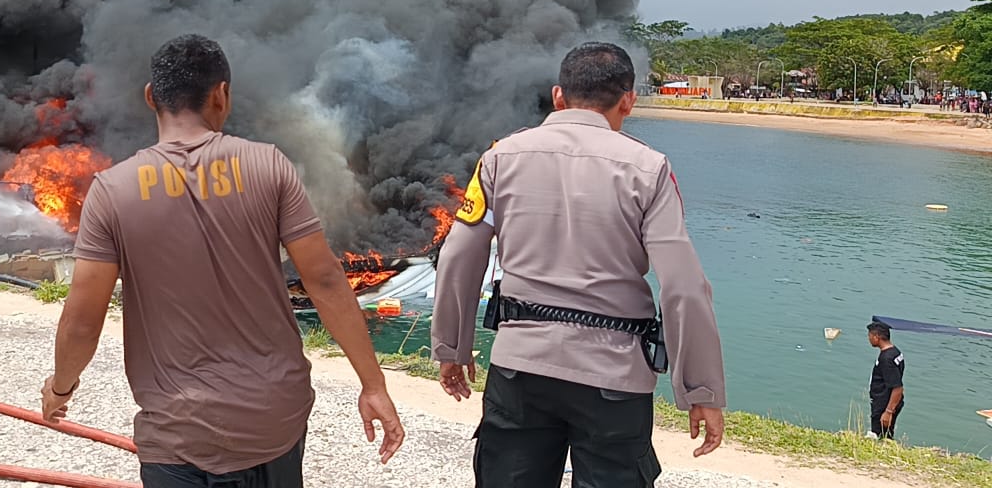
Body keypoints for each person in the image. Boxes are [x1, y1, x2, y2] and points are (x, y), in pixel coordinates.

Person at [40, 34, 404, 487]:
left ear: (151, 97)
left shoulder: (113, 190)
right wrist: (373, 384)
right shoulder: (269, 166)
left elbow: (82, 319)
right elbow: (326, 281)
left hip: (178, 433)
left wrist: (61, 387)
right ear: (222, 94)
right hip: (275, 420)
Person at [431, 42, 727, 488]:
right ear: (629, 99)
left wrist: (451, 348)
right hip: (615, 376)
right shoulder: (649, 169)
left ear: (558, 96)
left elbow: (458, 255)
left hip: (520, 369)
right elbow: (683, 287)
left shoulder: (499, 158)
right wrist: (700, 390)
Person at [866, 321, 905, 440]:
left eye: (870, 336)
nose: (869, 339)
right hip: (888, 401)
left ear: (876, 337)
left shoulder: (886, 359)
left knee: (881, 436)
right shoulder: (895, 352)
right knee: (886, 433)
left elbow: (897, 387)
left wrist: (888, 412)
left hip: (885, 403)